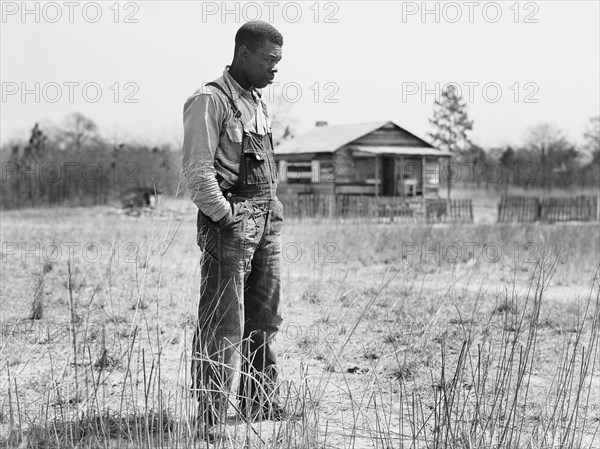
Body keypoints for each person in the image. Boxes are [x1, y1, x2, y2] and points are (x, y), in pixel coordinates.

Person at [181, 21, 286, 436]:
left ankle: (258, 403)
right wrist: (224, 217)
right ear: (243, 54)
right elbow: (197, 170)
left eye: (279, 61)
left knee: (266, 315)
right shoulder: (210, 100)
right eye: (269, 60)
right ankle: (210, 419)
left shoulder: (257, 101)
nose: (275, 69)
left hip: (267, 221)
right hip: (231, 222)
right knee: (223, 320)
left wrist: (269, 212)